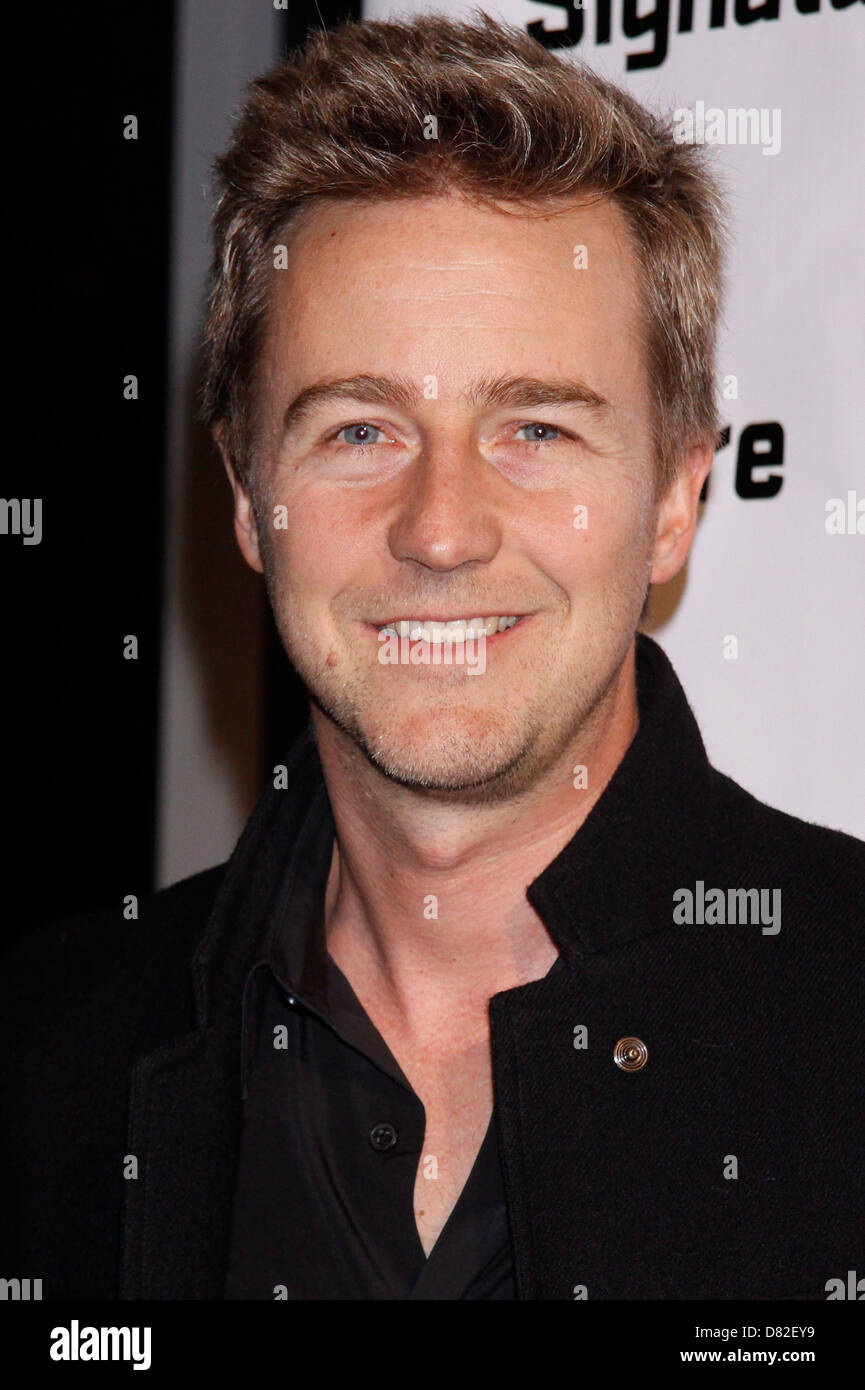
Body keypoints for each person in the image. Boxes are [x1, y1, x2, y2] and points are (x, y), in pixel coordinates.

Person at [2, 11, 862, 1301]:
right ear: (247, 498)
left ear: (677, 500)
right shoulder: (45, 1055)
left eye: (535, 430)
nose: (441, 530)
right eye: (359, 431)